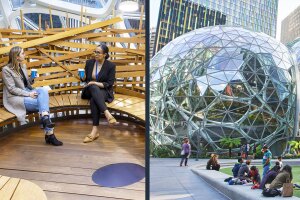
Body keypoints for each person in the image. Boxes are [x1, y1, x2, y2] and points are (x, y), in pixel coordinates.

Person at [2, 46, 63, 146]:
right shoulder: (6, 70)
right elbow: (12, 89)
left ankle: (45, 118)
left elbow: (26, 84)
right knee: (43, 104)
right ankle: (49, 134)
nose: (25, 54)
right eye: (22, 53)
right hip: (16, 97)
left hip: (26, 92)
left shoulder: (22, 66)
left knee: (43, 90)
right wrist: (28, 94)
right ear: (16, 57)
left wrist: (32, 79)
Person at [80, 44, 117, 143]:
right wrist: (82, 77)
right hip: (89, 90)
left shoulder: (111, 66)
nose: (95, 54)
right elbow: (85, 80)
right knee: (92, 86)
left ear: (104, 54)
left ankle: (94, 131)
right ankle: (107, 113)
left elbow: (109, 84)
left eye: (98, 52)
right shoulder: (89, 63)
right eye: (95, 52)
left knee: (94, 99)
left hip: (104, 91)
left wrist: (95, 82)